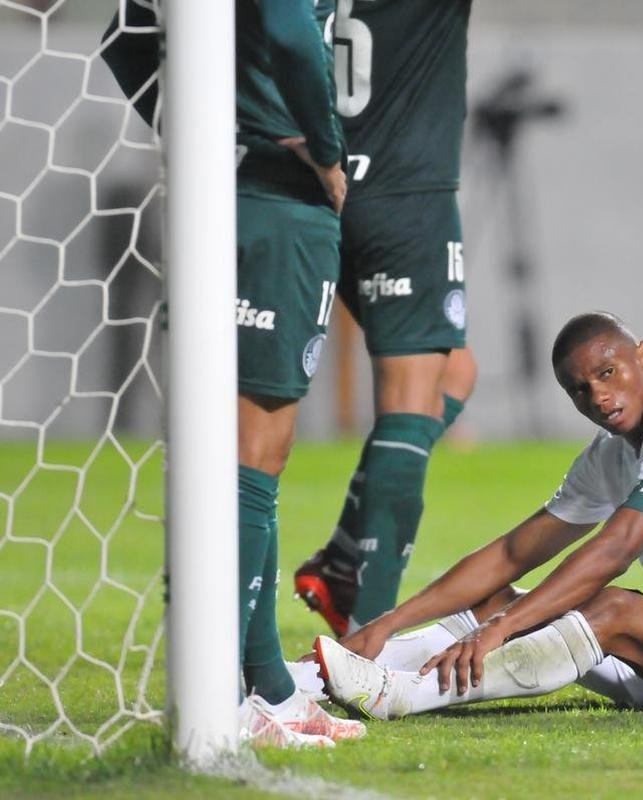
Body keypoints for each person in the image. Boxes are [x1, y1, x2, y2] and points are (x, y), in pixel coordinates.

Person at [311, 312, 643, 717]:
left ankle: (402, 696)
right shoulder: (611, 454)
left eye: (609, 373)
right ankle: (336, 673)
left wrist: (501, 629)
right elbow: (514, 552)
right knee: (491, 597)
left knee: (608, 608)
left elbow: (619, 545)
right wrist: (388, 623)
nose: (599, 397)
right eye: (580, 389)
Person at [102, 0, 364, 747]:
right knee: (255, 452)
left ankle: (268, 691)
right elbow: (287, 28)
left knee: (243, 455)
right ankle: (227, 698)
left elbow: (123, 32)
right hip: (280, 204)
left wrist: (200, 141)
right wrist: (323, 147)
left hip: (220, 197)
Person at [293, 0, 478, 638]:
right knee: (408, 399)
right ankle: (369, 631)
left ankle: (346, 559)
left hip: (321, 184)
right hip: (405, 198)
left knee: (455, 372)